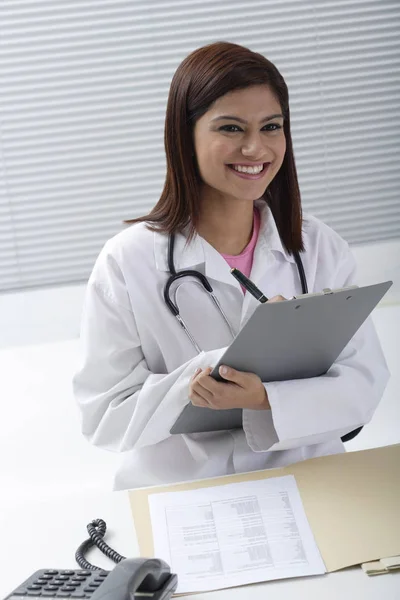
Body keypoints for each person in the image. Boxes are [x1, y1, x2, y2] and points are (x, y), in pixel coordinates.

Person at [72, 41, 389, 490]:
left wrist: (267, 397)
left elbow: (363, 385)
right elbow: (103, 415)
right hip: (180, 489)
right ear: (186, 136)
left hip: (310, 480)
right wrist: (203, 378)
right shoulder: (127, 261)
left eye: (271, 126)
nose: (255, 148)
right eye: (231, 128)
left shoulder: (318, 247)